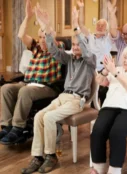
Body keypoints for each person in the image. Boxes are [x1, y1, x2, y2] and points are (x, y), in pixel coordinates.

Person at [21, 6, 96, 174]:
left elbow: (85, 48)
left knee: (49, 117)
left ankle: (51, 155)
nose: (76, 47)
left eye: (79, 45)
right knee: (40, 116)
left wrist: (76, 25)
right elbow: (53, 51)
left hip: (77, 100)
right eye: (74, 44)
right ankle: (38, 157)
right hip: (63, 96)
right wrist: (46, 28)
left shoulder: (90, 60)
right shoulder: (69, 58)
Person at [0, 0, 62, 145]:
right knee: (6, 89)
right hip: (28, 84)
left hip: (48, 87)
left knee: (25, 92)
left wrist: (45, 24)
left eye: (44, 37)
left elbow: (50, 35)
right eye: (40, 37)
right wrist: (28, 17)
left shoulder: (57, 49)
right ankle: (7, 125)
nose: (42, 40)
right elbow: (21, 35)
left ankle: (18, 127)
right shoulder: (36, 48)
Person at [90, 45, 127, 174]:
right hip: (110, 106)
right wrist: (106, 71)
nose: (126, 60)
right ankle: (98, 168)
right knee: (98, 130)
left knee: (116, 132)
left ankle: (114, 170)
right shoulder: (117, 69)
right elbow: (100, 81)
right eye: (125, 57)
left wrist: (115, 73)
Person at [77, 0, 113, 105]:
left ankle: (103, 106)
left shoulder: (108, 39)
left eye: (103, 25)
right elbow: (81, 24)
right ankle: (89, 103)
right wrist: (81, 8)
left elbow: (113, 30)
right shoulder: (90, 37)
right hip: (91, 70)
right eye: (98, 25)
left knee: (104, 90)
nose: (100, 27)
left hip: (104, 70)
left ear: (106, 29)